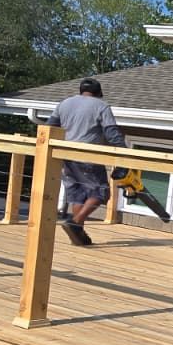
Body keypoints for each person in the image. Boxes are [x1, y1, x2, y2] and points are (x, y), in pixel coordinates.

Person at [50, 78, 126, 246]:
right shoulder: (101, 106)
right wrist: (124, 155)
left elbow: (50, 127)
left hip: (66, 157)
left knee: (78, 195)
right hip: (88, 157)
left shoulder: (64, 103)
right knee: (101, 192)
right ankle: (75, 223)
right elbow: (112, 133)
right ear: (99, 93)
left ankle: (78, 236)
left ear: (81, 91)